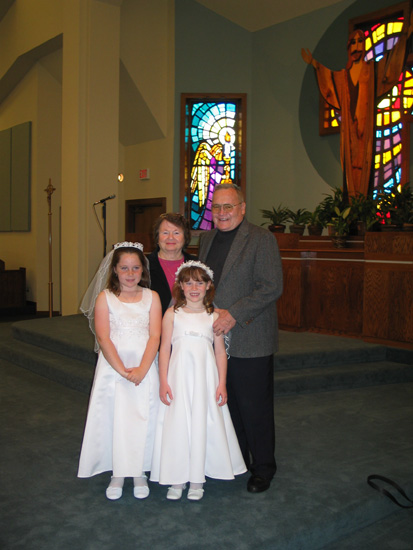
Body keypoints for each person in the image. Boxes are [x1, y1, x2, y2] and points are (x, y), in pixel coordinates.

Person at [198, 183, 283, 494]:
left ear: (242, 208)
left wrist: (233, 314)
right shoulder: (206, 239)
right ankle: (239, 462)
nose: (221, 213)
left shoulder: (262, 238)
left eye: (228, 206)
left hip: (250, 336)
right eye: (216, 207)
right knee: (228, 404)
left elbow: (271, 286)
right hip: (215, 338)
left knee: (254, 407)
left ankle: (263, 468)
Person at [150, 261, 246, 501]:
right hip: (178, 378)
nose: (194, 288)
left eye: (199, 283)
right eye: (189, 283)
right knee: (178, 423)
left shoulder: (214, 315)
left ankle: (196, 479)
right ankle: (177, 477)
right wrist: (163, 381)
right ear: (180, 286)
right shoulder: (172, 314)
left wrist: (221, 383)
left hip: (205, 379)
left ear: (209, 286)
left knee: (202, 421)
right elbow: (164, 349)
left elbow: (220, 352)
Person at [78, 242, 162, 500]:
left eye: (135, 268)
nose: (130, 273)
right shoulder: (105, 298)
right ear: (114, 269)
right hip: (114, 368)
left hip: (144, 366)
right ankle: (117, 472)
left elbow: (155, 335)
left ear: (143, 270)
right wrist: (123, 372)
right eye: (124, 268)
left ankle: (139, 471)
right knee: (115, 417)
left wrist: (143, 369)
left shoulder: (152, 297)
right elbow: (104, 338)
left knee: (143, 416)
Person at [302, 15, 413, 197]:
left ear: (364, 46)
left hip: (366, 130)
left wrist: (406, 34)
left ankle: (362, 202)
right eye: (352, 43)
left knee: (366, 164)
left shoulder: (373, 70)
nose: (356, 46)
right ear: (348, 49)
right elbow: (328, 80)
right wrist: (314, 63)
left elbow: (391, 62)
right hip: (349, 132)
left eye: (360, 41)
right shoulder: (342, 76)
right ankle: (353, 202)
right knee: (349, 169)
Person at [147, 213, 196, 315]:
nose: (170, 237)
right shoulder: (144, 265)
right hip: (153, 323)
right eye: (165, 233)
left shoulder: (196, 264)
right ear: (157, 237)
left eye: (176, 233)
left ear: (185, 237)